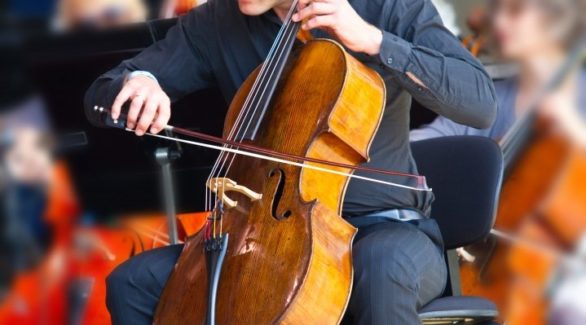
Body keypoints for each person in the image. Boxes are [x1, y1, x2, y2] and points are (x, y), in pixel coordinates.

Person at [84, 0, 497, 323]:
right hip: (266, 235)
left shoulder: (385, 7)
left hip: (386, 228)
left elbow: (479, 103)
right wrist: (140, 84)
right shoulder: (215, 23)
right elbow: (100, 95)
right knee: (133, 282)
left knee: (380, 266)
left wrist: (374, 40)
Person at [411, 0, 586, 143]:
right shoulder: (493, 98)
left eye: (515, 10)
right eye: (497, 10)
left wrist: (573, 127)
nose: (499, 21)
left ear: (553, 16)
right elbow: (429, 140)